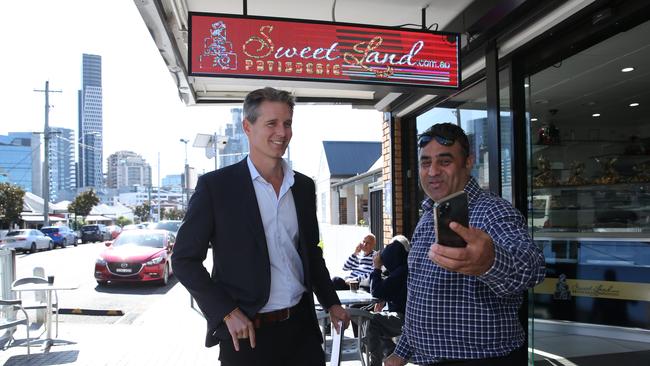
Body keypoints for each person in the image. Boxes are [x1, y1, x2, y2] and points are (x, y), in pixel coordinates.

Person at [172, 87, 350, 366]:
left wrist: (331, 302)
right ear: (247, 127)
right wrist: (226, 312)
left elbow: (311, 255)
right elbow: (183, 260)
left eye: (287, 123)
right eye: (271, 123)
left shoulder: (303, 187)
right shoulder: (216, 187)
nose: (282, 132)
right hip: (248, 337)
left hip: (302, 332)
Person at [385, 123, 546, 366]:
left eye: (445, 161)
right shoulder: (428, 217)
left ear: (468, 162)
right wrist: (403, 350)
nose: (432, 171)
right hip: (427, 359)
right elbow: (421, 295)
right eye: (425, 162)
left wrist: (491, 261)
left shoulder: (493, 211)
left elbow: (533, 268)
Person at [366, 235, 409, 366]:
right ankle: (391, 352)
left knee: (372, 321)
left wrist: (377, 268)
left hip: (406, 318)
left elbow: (376, 291)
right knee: (379, 318)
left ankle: (376, 363)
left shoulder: (401, 272)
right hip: (408, 316)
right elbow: (383, 290)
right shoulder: (404, 268)